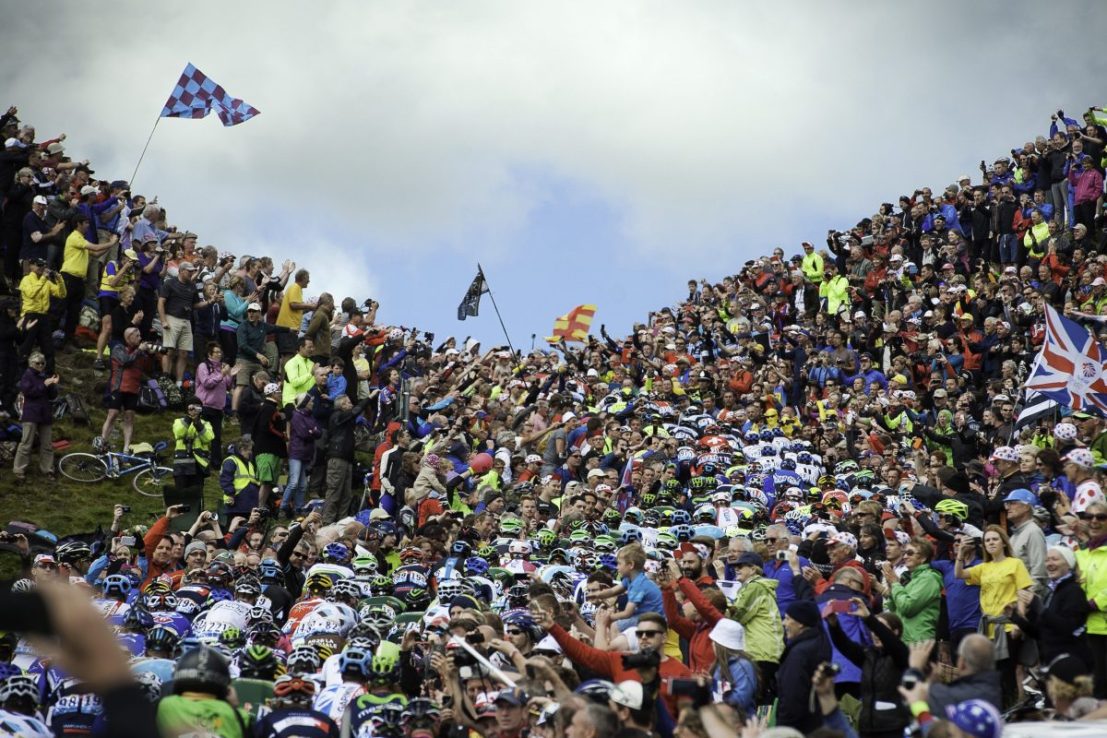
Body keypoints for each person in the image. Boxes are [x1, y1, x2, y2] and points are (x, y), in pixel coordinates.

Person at [775, 599, 832, 733]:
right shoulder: (820, 643)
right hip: (815, 725)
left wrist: (782, 730)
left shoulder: (799, 654)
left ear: (800, 623)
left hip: (797, 729)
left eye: (787, 619)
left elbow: (792, 698)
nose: (784, 623)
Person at [100, 327, 153, 452]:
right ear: (129, 337)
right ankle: (102, 443)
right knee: (112, 415)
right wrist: (139, 350)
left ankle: (126, 448)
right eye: (137, 336)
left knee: (129, 418)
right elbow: (125, 361)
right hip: (119, 387)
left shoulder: (140, 352)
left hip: (133, 389)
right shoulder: (118, 348)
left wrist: (150, 354)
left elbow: (148, 368)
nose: (140, 338)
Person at [322, 393, 372, 524]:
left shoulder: (346, 419)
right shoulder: (337, 415)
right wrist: (369, 398)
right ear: (342, 405)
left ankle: (341, 522)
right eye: (349, 402)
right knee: (334, 492)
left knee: (346, 494)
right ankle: (327, 522)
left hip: (347, 459)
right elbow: (355, 411)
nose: (351, 405)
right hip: (337, 458)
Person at [884, 537, 943, 643]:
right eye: (905, 553)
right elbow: (893, 609)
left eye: (910, 553)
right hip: (904, 641)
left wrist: (895, 584)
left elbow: (907, 608)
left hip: (919, 643)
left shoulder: (929, 578)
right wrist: (892, 585)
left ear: (923, 558)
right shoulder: (912, 579)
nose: (905, 556)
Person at [12, 352, 58, 481]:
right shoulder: (27, 375)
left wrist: (52, 385)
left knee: (47, 445)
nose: (41, 365)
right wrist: (44, 385)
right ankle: (19, 469)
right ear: (31, 363)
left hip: (45, 414)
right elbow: (29, 392)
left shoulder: (45, 376)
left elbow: (52, 396)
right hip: (31, 414)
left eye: (43, 363)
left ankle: (48, 469)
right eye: (38, 363)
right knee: (26, 443)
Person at [157, 260, 204, 383]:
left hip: (186, 321)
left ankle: (179, 383)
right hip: (171, 318)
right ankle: (165, 379)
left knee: (184, 353)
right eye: (189, 271)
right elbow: (161, 302)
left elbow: (196, 304)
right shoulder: (170, 283)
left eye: (192, 271)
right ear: (182, 271)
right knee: (169, 351)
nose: (191, 273)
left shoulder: (192, 286)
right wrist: (163, 321)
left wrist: (210, 301)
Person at [17, 257, 64, 374]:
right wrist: (43, 278)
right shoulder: (26, 279)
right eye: (38, 265)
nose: (41, 268)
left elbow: (61, 294)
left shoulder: (46, 281)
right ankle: (20, 375)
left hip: (43, 317)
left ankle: (49, 374)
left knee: (48, 348)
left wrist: (59, 280)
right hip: (30, 316)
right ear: (31, 266)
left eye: (43, 265)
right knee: (26, 347)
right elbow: (31, 294)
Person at [195, 341, 238, 466]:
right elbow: (207, 383)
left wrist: (230, 375)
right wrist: (222, 374)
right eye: (217, 352)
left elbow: (228, 385)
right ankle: (198, 460)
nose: (220, 354)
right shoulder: (203, 366)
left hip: (218, 408)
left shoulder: (222, 367)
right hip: (204, 406)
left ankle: (216, 463)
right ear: (210, 354)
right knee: (200, 435)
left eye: (220, 352)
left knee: (216, 437)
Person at [252, 382, 288, 511]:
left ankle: (272, 504)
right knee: (266, 481)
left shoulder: (272, 408)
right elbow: (267, 427)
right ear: (272, 394)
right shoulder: (268, 409)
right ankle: (259, 508)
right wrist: (282, 435)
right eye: (279, 392)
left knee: (274, 480)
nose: (281, 394)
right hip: (267, 451)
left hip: (275, 451)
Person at [172, 398, 216, 495]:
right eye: (191, 407)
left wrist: (197, 423)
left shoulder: (205, 423)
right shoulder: (179, 421)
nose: (194, 409)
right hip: (182, 465)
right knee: (181, 494)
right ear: (187, 409)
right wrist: (189, 419)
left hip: (198, 464)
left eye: (197, 407)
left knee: (196, 495)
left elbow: (208, 438)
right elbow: (178, 433)